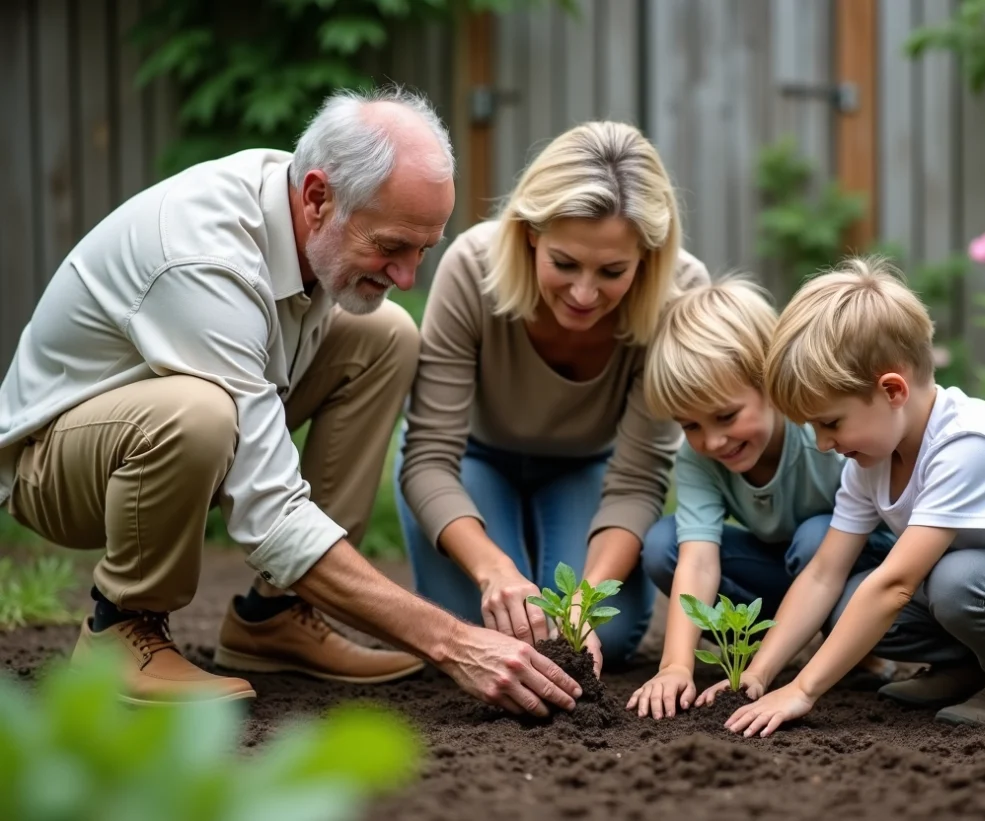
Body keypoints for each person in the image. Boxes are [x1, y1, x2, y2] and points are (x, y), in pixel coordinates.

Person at [0, 85, 584, 718]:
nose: (408, 275)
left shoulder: (311, 204)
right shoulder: (205, 260)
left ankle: (277, 615)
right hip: (55, 463)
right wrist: (455, 642)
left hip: (159, 428)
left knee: (385, 334)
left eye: (423, 249)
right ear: (316, 197)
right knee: (201, 413)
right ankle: (122, 626)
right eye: (390, 247)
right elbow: (268, 509)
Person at [696, 256, 985, 734]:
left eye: (830, 423)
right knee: (848, 600)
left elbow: (897, 584)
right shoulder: (871, 459)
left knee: (951, 579)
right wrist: (758, 675)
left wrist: (803, 690)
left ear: (892, 390)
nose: (823, 444)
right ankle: (973, 670)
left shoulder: (968, 444)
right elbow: (823, 573)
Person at [395, 121, 710, 674]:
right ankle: (510, 558)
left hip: (588, 468)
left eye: (613, 271)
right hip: (472, 460)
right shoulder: (472, 267)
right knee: (489, 629)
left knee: (595, 639)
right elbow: (427, 460)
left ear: (647, 255)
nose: (585, 293)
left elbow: (638, 480)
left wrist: (585, 604)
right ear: (531, 232)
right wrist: (494, 571)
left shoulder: (679, 295)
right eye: (565, 264)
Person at [625, 276, 899, 719]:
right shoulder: (698, 462)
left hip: (856, 573)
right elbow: (697, 559)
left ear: (771, 386)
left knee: (815, 536)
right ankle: (770, 650)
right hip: (786, 574)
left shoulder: (823, 436)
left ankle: (850, 649)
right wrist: (675, 666)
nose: (712, 441)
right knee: (665, 544)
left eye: (726, 416)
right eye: (690, 425)